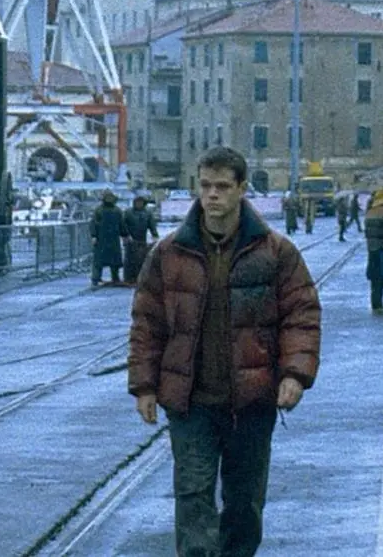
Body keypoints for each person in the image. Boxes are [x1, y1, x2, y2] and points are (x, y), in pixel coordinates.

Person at [127, 146, 322, 557]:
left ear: (241, 189)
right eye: (205, 186)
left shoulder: (276, 252)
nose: (212, 195)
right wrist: (144, 386)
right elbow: (147, 324)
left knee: (244, 502)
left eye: (222, 186)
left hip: (251, 398)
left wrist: (294, 374)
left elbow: (301, 315)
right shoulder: (169, 254)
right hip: (190, 400)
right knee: (193, 495)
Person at [90, 190, 128, 286]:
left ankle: (115, 278)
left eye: (111, 198)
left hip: (114, 239)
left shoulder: (117, 211)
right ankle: (95, 278)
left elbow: (122, 224)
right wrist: (94, 236)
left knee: (115, 261)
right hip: (101, 239)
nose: (109, 199)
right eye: (107, 197)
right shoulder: (98, 210)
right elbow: (93, 224)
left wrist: (125, 235)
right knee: (98, 261)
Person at [122, 195, 159, 286]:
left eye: (141, 202)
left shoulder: (147, 213)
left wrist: (155, 235)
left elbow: (152, 225)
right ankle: (128, 279)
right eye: (137, 202)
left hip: (142, 240)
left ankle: (139, 278)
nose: (139, 204)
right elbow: (123, 225)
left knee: (141, 259)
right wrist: (126, 235)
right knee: (129, 260)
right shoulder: (128, 212)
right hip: (130, 240)